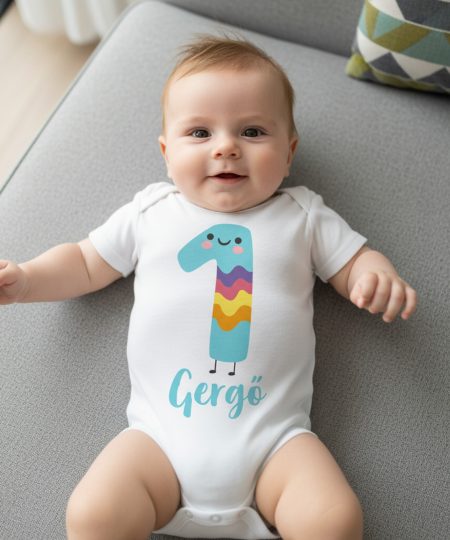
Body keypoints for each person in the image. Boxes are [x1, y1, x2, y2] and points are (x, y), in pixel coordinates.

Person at [0, 35, 417, 540]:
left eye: (252, 131)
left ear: (289, 152)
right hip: (157, 443)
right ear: (166, 152)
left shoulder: (302, 214)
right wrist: (28, 280)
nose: (226, 147)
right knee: (93, 513)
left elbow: (352, 261)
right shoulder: (152, 211)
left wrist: (374, 274)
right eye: (199, 132)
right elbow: (85, 262)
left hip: (275, 445)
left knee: (334, 518)